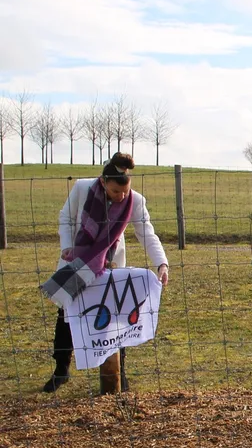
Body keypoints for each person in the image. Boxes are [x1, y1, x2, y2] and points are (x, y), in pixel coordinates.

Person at [41, 152, 170, 393]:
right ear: (103, 182)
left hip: (111, 269)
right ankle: (61, 369)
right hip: (77, 263)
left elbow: (147, 234)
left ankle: (118, 373)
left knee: (116, 320)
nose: (121, 197)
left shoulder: (135, 201)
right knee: (67, 315)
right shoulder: (81, 189)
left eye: (125, 191)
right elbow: (66, 218)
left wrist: (161, 263)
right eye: (115, 192)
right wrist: (67, 246)